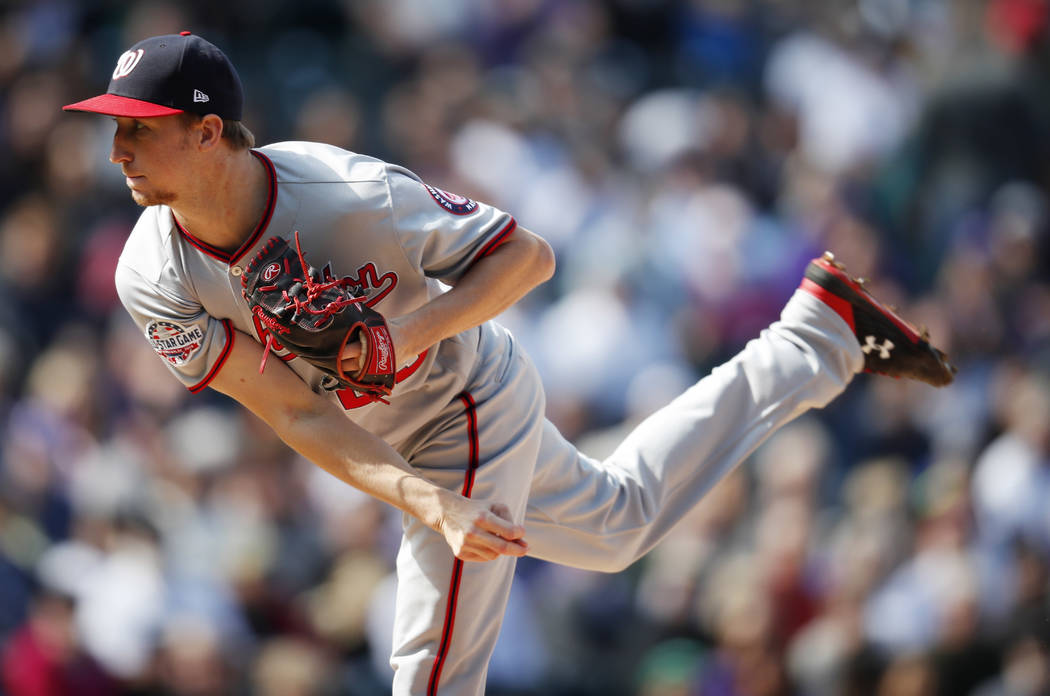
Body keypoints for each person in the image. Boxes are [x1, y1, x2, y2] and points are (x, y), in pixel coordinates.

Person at [63, 32, 955, 696]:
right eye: (114, 129)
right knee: (616, 526)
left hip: (467, 398)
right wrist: (424, 499)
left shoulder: (346, 194)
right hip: (390, 439)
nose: (118, 150)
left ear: (208, 131)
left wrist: (407, 337)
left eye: (137, 129)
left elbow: (528, 258)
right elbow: (295, 412)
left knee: (432, 669)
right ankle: (816, 338)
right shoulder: (150, 273)